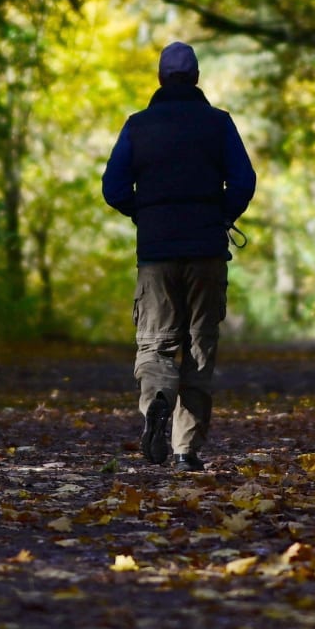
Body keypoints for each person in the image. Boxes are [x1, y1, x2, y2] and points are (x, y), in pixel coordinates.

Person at [101, 41, 256, 472]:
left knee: (156, 342)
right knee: (199, 345)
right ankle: (186, 450)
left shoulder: (137, 126)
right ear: (197, 77)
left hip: (156, 254)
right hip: (206, 249)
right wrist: (222, 215)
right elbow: (244, 181)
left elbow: (113, 188)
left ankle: (158, 399)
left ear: (159, 78)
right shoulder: (219, 124)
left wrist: (146, 214)